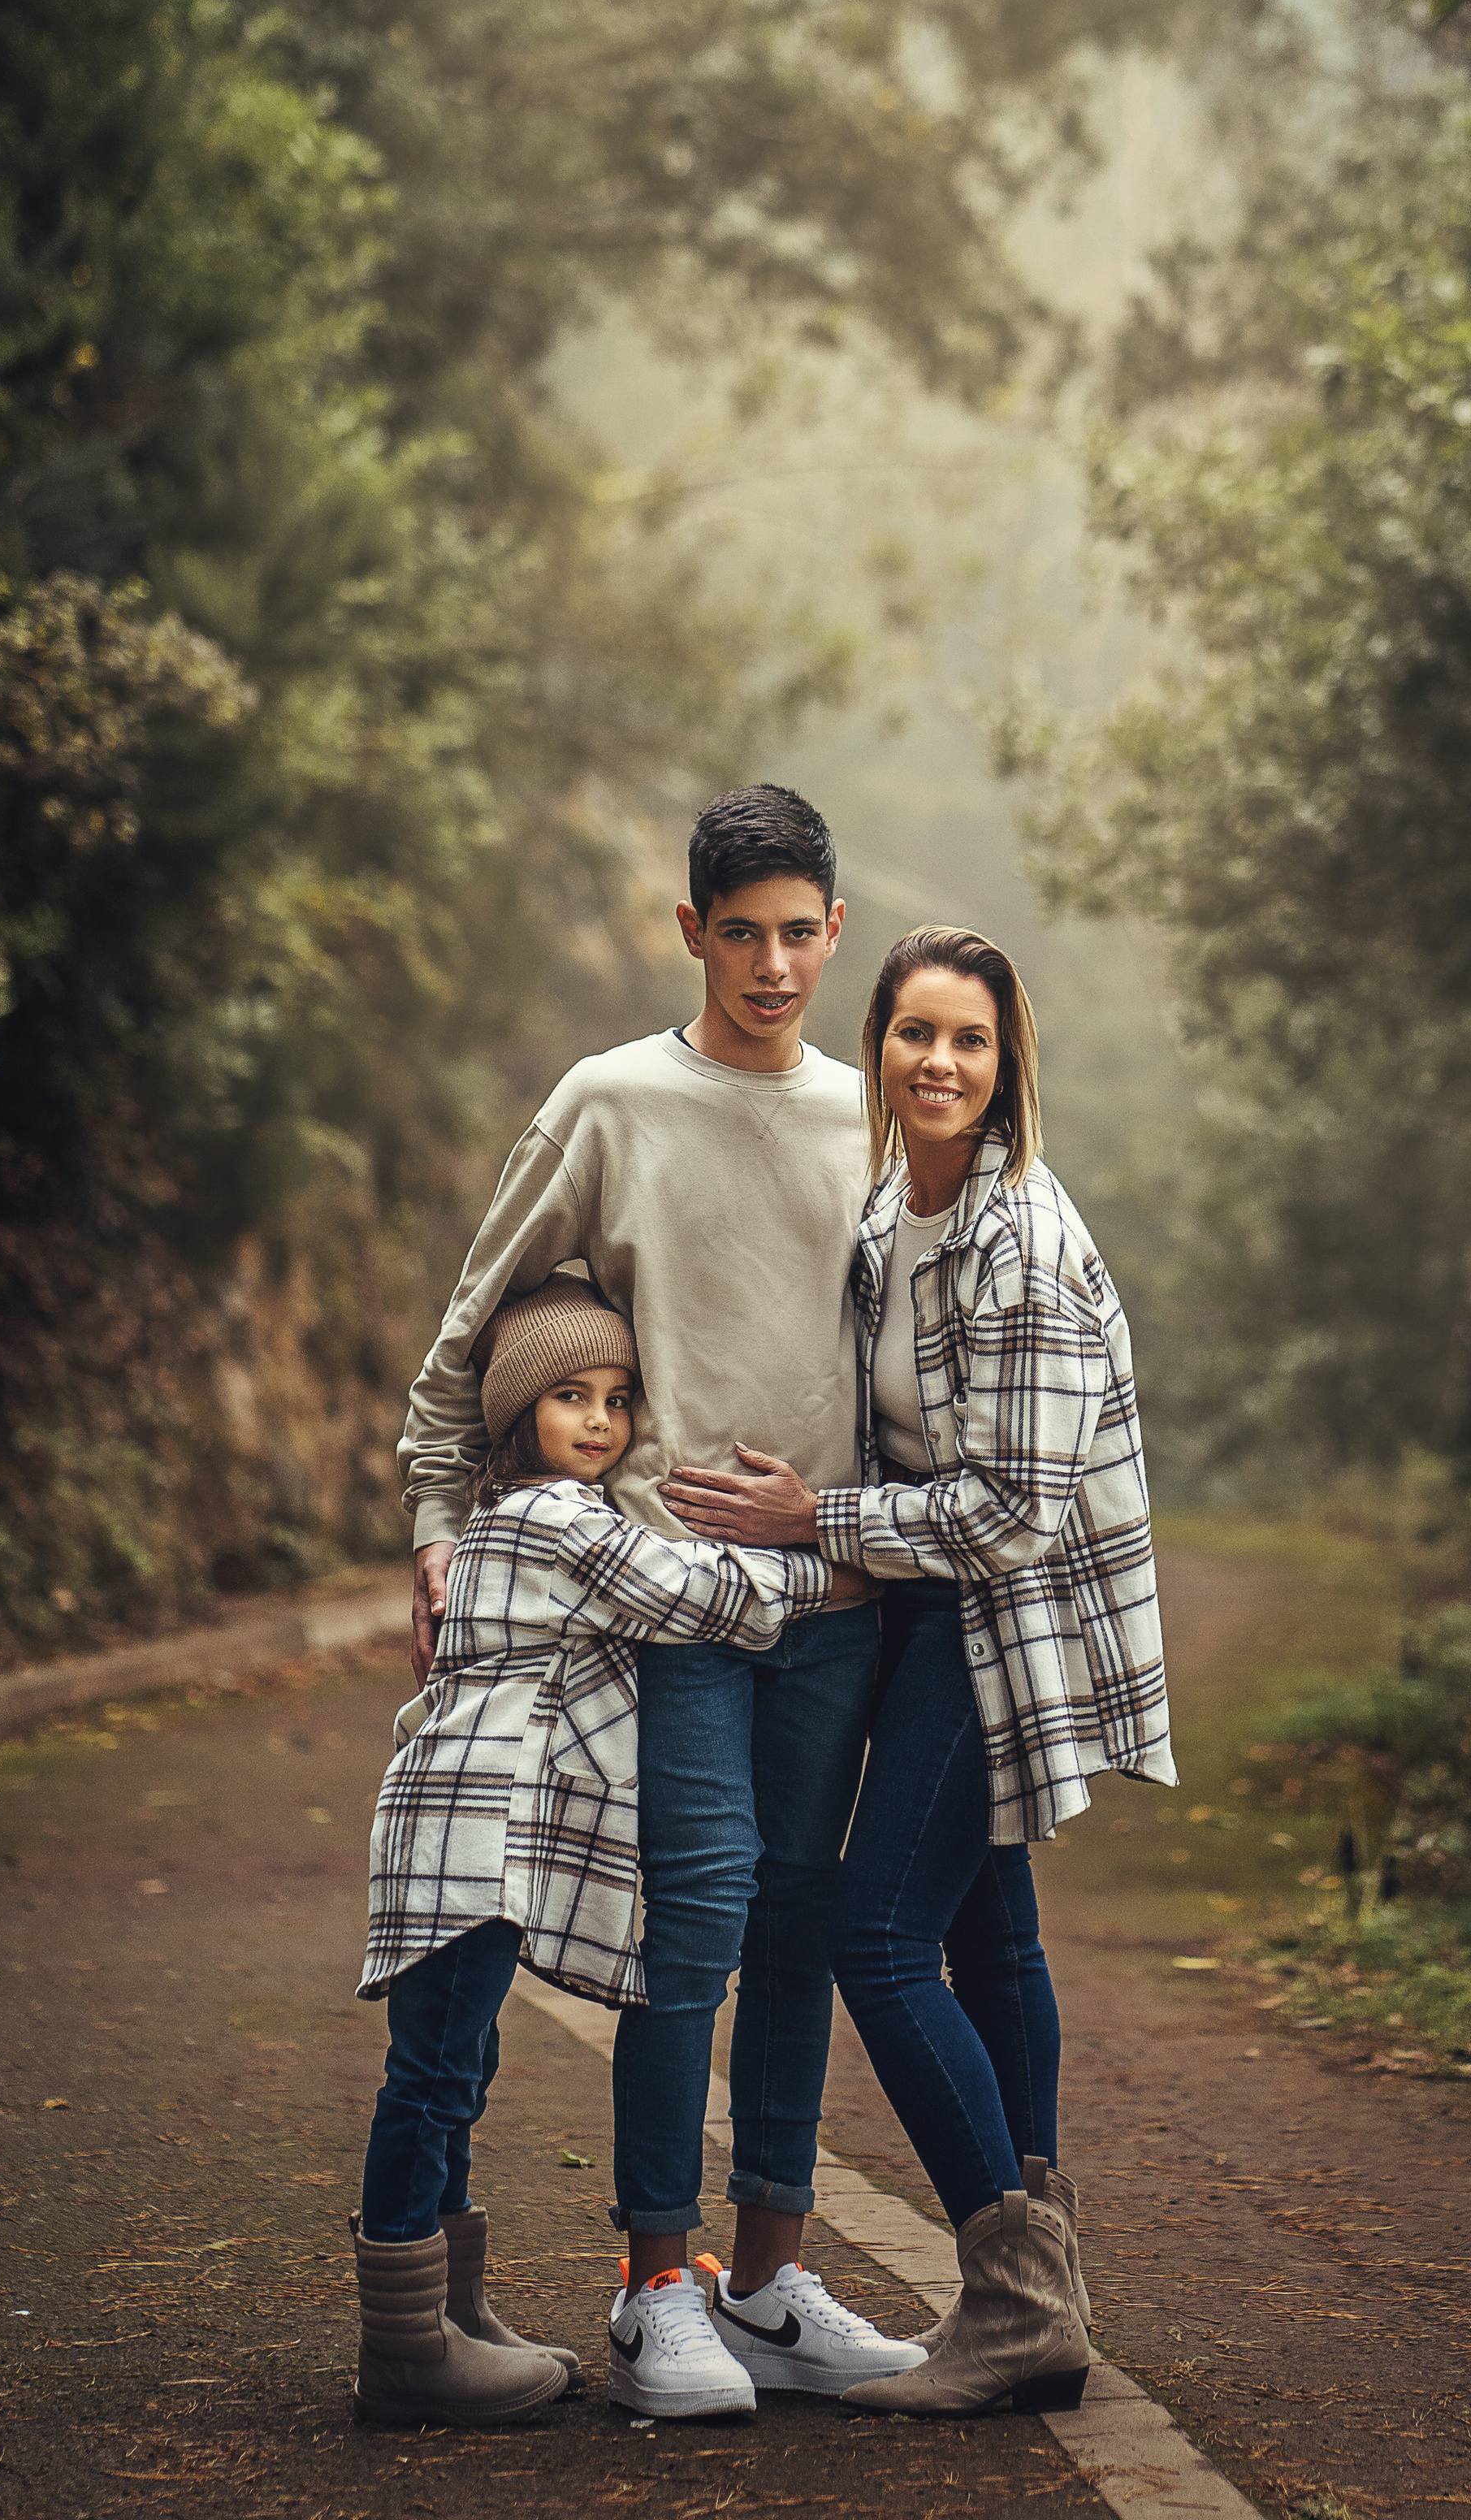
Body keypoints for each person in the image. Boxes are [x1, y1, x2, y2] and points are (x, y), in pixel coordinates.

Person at [396, 784, 924, 2416]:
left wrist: (883, 1544)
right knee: (689, 1925)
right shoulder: (610, 1102)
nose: (772, 968)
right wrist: (438, 1521)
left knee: (798, 1928)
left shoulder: (873, 1118)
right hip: (669, 1605)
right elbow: (473, 1331)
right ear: (691, 930)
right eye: (739, 934)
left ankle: (768, 2283)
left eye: (799, 936)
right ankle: (653, 2290)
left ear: (835, 933)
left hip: (833, 1599)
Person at [664, 924, 1178, 2418]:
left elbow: (1015, 1513)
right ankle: (1042, 2306)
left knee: (880, 1940)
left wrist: (811, 1519)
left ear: (1008, 1064)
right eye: (914, 1034)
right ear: (877, 1046)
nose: (938, 1062)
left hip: (1000, 1623)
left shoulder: (1022, 1239)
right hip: (928, 1612)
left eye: (969, 1039)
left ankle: (1015, 2301)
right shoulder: (897, 1208)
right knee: (991, 1936)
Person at [352, 1278, 897, 2425]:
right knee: (434, 2079)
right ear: (516, 1413)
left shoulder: (524, 1516)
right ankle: (405, 2345)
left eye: (618, 1397)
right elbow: (695, 1589)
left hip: (466, 1836)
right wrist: (838, 1571)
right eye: (570, 1396)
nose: (601, 1421)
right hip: (469, 1840)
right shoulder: (560, 1521)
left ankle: (452, 2317)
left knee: (456, 2070)